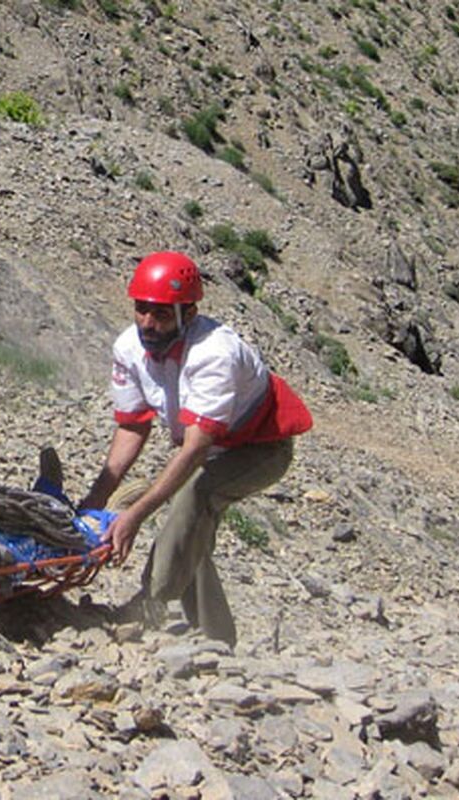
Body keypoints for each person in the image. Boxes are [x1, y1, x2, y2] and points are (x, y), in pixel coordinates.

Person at [79, 251, 312, 647]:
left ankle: (148, 607)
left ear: (187, 313)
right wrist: (95, 500)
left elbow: (194, 452)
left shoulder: (214, 354)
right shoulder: (129, 348)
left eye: (161, 315)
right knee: (192, 532)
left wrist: (133, 515)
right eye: (141, 310)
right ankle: (216, 637)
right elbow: (132, 428)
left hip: (259, 447)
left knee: (195, 495)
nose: (147, 324)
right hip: (209, 445)